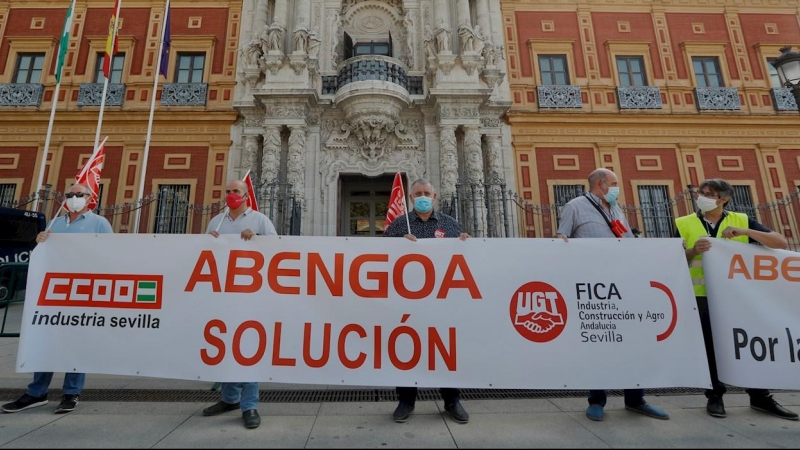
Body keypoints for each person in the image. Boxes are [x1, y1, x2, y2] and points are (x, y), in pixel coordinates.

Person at [675, 179, 798, 421]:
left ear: (723, 199)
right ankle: (715, 396)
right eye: (701, 192)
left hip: (739, 298)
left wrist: (745, 232)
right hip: (701, 297)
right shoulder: (684, 223)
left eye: (708, 193)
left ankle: (760, 396)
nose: (701, 196)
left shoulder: (741, 220)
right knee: (710, 348)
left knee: (748, 346)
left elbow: (780, 243)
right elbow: (672, 258)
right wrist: (692, 251)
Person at [556, 168, 670, 422]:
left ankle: (636, 398)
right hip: (593, 288)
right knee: (599, 342)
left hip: (623, 283)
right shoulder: (574, 206)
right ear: (600, 184)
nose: (618, 187)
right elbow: (561, 240)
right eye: (615, 183)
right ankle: (597, 400)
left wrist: (664, 251)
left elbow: (628, 242)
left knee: (631, 341)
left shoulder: (616, 209)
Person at [2, 183, 113, 414]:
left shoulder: (99, 223)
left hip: (84, 293)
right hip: (53, 292)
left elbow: (110, 254)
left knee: (76, 342)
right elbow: (42, 257)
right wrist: (40, 242)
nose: (74, 198)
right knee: (46, 340)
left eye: (79, 194)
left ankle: (71, 393)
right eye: (70, 195)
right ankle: (36, 392)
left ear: (90, 197)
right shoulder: (55, 224)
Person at [383, 179, 470, 424]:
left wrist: (466, 242)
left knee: (444, 349)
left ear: (434, 196)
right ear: (411, 198)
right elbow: (382, 257)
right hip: (407, 299)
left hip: (442, 300)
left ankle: (452, 399)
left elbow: (461, 258)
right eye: (418, 194)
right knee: (406, 347)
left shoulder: (450, 225)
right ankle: (406, 400)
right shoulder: (399, 225)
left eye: (426, 193)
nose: (422, 197)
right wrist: (398, 245)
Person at [201, 179, 278, 429]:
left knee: (247, 347)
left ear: (246, 196)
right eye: (228, 191)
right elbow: (203, 253)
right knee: (224, 344)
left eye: (236, 191)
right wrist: (210, 241)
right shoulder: (217, 222)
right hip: (221, 294)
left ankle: (250, 405)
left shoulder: (259, 220)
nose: (231, 195)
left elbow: (278, 249)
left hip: (251, 295)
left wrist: (257, 238)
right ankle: (229, 397)